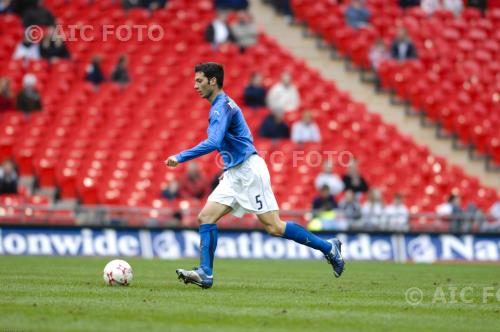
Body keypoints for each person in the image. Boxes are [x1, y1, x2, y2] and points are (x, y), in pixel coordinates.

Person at [164, 62, 344, 288]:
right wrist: (228, 167)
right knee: (205, 217)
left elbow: (214, 142)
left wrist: (180, 157)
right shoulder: (224, 105)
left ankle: (329, 248)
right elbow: (238, 141)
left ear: (213, 81)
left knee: (274, 227)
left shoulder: (222, 106)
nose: (195, 85)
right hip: (236, 172)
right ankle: (205, 273)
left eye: (199, 80)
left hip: (249, 171)